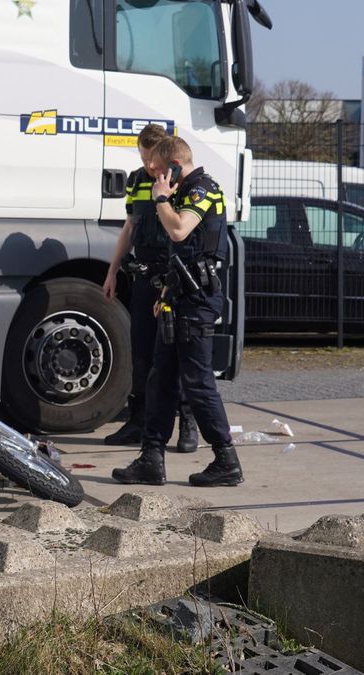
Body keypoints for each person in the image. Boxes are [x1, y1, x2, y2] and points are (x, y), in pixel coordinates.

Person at [111, 136, 242, 487]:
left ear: (173, 166)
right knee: (160, 378)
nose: (153, 175)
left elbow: (180, 230)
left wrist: (162, 199)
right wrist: (166, 292)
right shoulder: (183, 192)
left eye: (157, 168)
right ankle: (151, 458)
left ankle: (226, 459)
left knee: (197, 382)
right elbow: (181, 255)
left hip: (198, 302)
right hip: (177, 298)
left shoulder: (203, 189)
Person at [101, 124, 198, 453]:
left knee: (178, 353)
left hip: (173, 277)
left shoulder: (179, 183)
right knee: (140, 352)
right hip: (144, 277)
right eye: (142, 159)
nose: (147, 166)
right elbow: (130, 225)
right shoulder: (137, 180)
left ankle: (187, 422)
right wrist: (112, 271)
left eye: (152, 160)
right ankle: (139, 420)